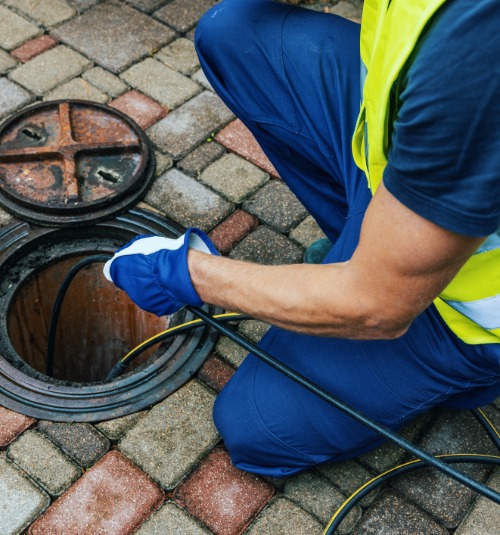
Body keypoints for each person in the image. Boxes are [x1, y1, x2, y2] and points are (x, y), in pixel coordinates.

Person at [104, 0, 500, 477]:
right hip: (403, 155)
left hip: (460, 307)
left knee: (257, 428)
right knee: (235, 31)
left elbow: (377, 304)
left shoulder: (480, 50)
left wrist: (188, 273)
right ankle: (370, 246)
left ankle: (462, 368)